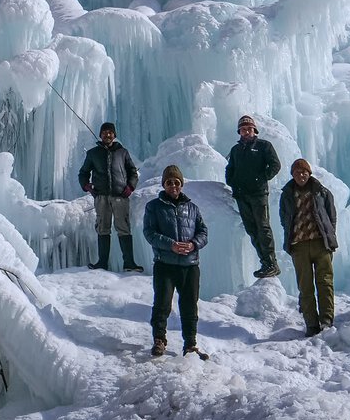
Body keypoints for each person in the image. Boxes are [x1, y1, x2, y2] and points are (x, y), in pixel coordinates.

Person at [142, 165, 209, 358]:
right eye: (169, 182)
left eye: (176, 182)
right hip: (165, 264)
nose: (173, 185)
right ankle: (159, 340)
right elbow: (149, 233)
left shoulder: (192, 208)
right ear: (164, 184)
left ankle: (190, 344)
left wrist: (193, 244)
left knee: (189, 305)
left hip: (190, 265)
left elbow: (203, 232)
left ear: (181, 184)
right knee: (162, 304)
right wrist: (170, 244)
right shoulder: (153, 206)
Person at [279, 158, 338, 337]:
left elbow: (331, 216)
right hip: (299, 246)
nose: (301, 175)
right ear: (293, 175)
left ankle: (326, 320)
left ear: (309, 173)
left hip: (321, 244)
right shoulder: (287, 194)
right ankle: (311, 324)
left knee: (325, 283)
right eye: (297, 173)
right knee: (305, 287)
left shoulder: (322, 192)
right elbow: (284, 218)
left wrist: (329, 237)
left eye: (304, 172)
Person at [78, 122, 142, 271]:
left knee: (123, 228)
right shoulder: (93, 153)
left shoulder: (122, 152)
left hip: (120, 195)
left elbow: (132, 171)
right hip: (101, 197)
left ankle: (129, 263)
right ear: (100, 135)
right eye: (105, 132)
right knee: (103, 228)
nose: (107, 134)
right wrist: (87, 186)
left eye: (110, 132)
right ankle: (102, 263)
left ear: (115, 135)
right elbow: (83, 173)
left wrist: (130, 187)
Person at [225, 114, 281, 278]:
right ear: (239, 132)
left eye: (249, 128)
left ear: (254, 130)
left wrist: (262, 178)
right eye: (243, 129)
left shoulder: (264, 146)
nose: (246, 131)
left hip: (258, 194)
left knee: (263, 227)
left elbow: (275, 165)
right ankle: (264, 262)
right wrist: (232, 182)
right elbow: (230, 168)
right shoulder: (236, 149)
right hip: (242, 195)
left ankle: (272, 263)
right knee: (252, 229)